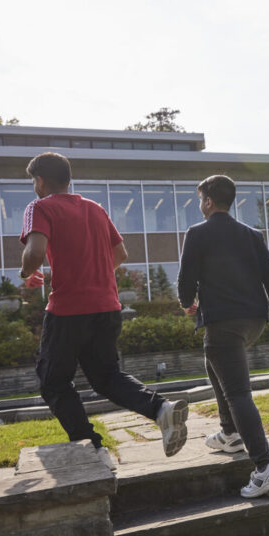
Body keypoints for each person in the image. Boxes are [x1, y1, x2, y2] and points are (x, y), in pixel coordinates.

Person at [19, 152, 188, 457]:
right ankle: (162, 409)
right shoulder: (95, 209)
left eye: (33, 180)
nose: (34, 186)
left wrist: (26, 273)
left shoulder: (39, 207)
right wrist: (92, 277)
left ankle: (90, 447)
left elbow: (34, 253)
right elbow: (121, 253)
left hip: (68, 310)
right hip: (107, 307)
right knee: (106, 376)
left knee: (53, 381)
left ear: (41, 181)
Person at [177, 174, 269, 498]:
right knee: (213, 361)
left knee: (238, 393)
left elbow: (185, 279)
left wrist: (187, 302)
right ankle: (230, 433)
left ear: (208, 201)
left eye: (200, 198)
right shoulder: (252, 235)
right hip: (253, 321)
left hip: (223, 322)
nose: (199, 204)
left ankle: (265, 466)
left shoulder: (197, 234)